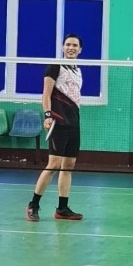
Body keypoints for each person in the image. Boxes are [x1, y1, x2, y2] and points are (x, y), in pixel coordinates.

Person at [27, 34, 84, 221]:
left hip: (74, 123)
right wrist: (47, 115)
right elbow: (46, 94)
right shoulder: (55, 66)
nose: (71, 48)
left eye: (74, 45)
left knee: (68, 166)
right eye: (68, 44)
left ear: (80, 50)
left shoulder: (78, 70)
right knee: (53, 165)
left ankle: (62, 208)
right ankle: (33, 205)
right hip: (58, 122)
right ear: (62, 47)